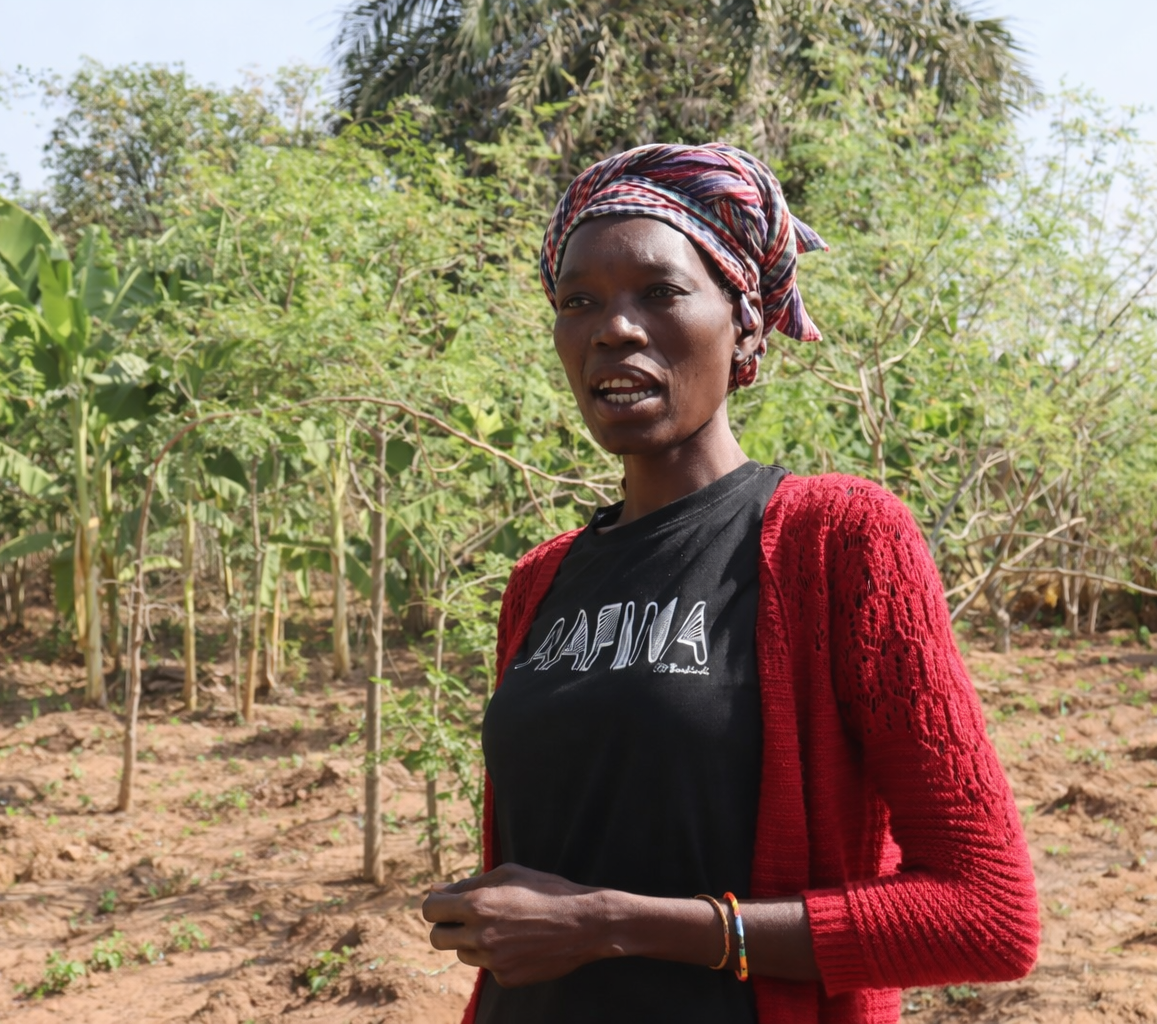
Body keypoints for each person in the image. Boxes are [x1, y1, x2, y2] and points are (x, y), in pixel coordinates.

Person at [420, 143, 1039, 1024]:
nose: (613, 329)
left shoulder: (837, 542)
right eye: (578, 301)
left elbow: (986, 915)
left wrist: (611, 925)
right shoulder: (541, 580)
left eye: (660, 292)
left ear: (746, 325)